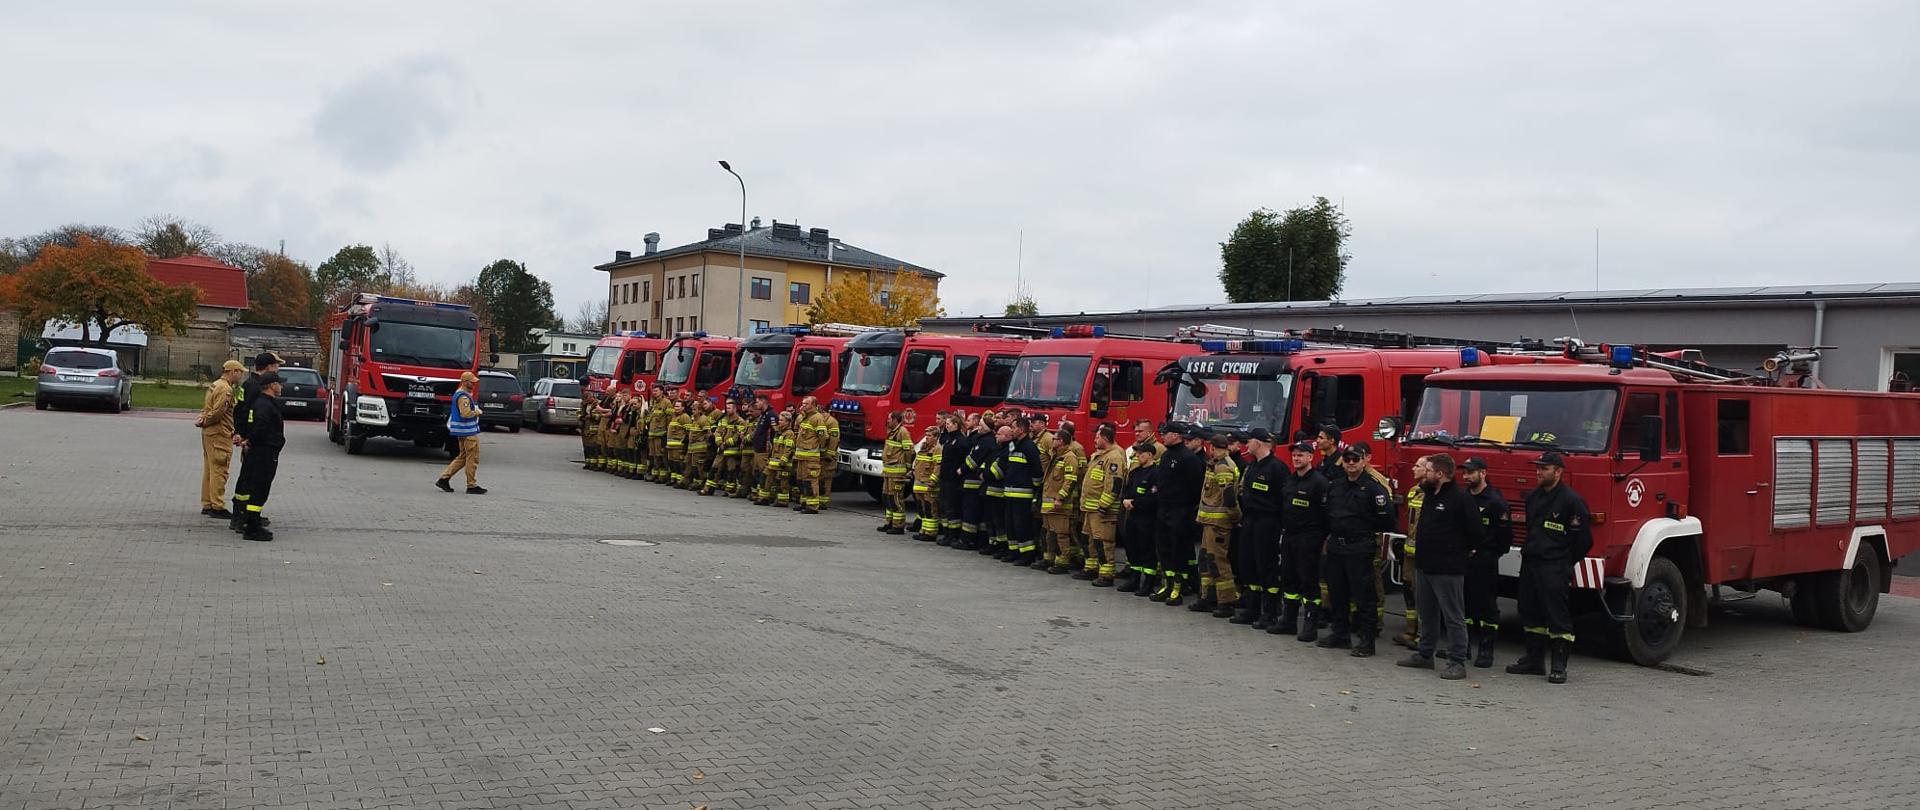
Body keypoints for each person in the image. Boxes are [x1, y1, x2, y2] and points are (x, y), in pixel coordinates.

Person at [1508, 451, 1591, 684]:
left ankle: (1558, 666)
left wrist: (1563, 560)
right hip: (1531, 564)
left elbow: (1583, 541)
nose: (1538, 472)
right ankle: (1534, 661)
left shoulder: (1571, 501)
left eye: (1544, 468)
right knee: (1529, 611)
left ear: (1558, 472)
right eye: (1538, 467)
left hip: (1554, 566)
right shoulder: (1533, 497)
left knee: (1557, 616)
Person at [1397, 454, 1482, 680]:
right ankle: (1425, 655)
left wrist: (1460, 552)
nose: (1424, 474)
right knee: (1427, 614)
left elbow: (1476, 533)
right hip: (1425, 565)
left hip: (1448, 569)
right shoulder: (1429, 495)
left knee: (1453, 616)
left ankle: (1457, 661)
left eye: (1428, 471)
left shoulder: (1460, 499)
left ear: (1440, 474)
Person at [1318, 446, 1393, 656]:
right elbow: (1327, 514)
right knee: (1337, 593)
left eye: (1355, 459)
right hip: (1336, 546)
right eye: (1347, 459)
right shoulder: (1335, 486)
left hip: (1359, 547)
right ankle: (1340, 634)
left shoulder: (1374, 488)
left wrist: (1363, 532)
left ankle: (1367, 641)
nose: (1351, 463)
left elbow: (1387, 519)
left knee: (1363, 597)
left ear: (1364, 461)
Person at [1461, 457, 1511, 668]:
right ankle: (1462, 648)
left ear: (1483, 473)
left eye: (1470, 472)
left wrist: (1488, 553)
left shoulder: (1495, 502)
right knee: (1464, 605)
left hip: (1485, 561)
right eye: (1464, 472)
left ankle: (1486, 651)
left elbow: (1505, 538)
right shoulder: (1463, 497)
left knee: (1486, 606)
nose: (1466, 476)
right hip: (1464, 560)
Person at [1277, 441, 1330, 640]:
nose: (1296, 458)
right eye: (1294, 455)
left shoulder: (1319, 483)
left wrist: (1321, 539)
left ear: (1310, 457)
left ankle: (1310, 624)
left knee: (1309, 581)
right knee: (1289, 579)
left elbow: (1326, 515)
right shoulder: (1290, 480)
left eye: (1300, 455)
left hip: (1309, 539)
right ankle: (1289, 621)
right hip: (1290, 536)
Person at [1232, 427, 1285, 627]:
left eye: (1249, 441)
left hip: (1267, 522)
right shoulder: (1252, 466)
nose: (1246, 444)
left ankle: (1270, 612)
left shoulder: (1277, 468)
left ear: (1259, 442)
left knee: (1266, 565)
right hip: (1250, 520)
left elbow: (1283, 498)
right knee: (1248, 563)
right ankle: (1252, 609)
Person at [1190, 433, 1243, 617]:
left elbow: (1229, 497)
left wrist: (1235, 517)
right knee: (1206, 560)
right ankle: (1208, 597)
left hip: (1219, 523)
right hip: (1209, 522)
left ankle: (1226, 602)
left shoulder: (1223, 467)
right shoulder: (1215, 464)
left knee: (1218, 562)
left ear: (1212, 448)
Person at [1150, 423, 1203, 606]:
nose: (1162, 436)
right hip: (1164, 509)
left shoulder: (1188, 458)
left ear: (1175, 435)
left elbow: (1196, 486)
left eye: (1165, 434)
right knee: (1163, 548)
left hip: (1181, 511)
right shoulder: (1166, 455)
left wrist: (1186, 506)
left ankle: (1179, 588)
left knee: (1178, 550)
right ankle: (1168, 584)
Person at [229, 352, 282, 532]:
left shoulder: (250, 384)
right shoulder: (255, 387)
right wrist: (244, 436)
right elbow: (246, 412)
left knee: (249, 477)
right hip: (254, 442)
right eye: (276, 365)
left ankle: (248, 515)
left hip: (251, 439)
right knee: (250, 479)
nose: (278, 369)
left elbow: (241, 409)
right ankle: (242, 517)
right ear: (269, 367)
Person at [236, 372, 287, 542]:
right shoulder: (265, 405)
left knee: (255, 487)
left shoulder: (261, 402)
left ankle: (252, 522)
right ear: (272, 385)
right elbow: (260, 427)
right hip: (264, 452)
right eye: (279, 383)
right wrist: (251, 440)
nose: (281, 386)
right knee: (260, 488)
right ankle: (252, 528)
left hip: (259, 451)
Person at [1080, 423, 1128, 587]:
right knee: (1089, 539)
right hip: (1091, 508)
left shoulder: (1114, 457)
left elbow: (1114, 484)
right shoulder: (1100, 455)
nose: (1094, 440)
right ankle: (1092, 568)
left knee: (1104, 542)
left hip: (1102, 510)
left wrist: (1104, 505)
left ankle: (1107, 575)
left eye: (1097, 437)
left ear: (1105, 439)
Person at [196, 360, 245, 518]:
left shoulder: (215, 384)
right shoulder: (226, 389)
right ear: (233, 371)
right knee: (219, 469)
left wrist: (203, 419)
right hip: (219, 433)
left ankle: (207, 503)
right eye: (240, 372)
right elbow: (218, 411)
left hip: (209, 433)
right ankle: (217, 505)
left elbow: (208, 407)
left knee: (210, 469)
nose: (241, 375)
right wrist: (206, 420)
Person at [1392, 455, 1429, 648]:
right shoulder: (1414, 491)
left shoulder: (1432, 494)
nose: (1413, 469)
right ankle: (1410, 630)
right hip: (1409, 552)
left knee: (1424, 595)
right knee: (1408, 589)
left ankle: (1423, 635)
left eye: (1418, 466)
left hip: (1424, 554)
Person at [1041, 422, 1086, 574]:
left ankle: (1063, 562)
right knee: (1050, 533)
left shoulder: (1069, 458)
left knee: (1061, 534)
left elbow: (1070, 480)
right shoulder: (1056, 456)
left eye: (1054, 439)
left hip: (1060, 505)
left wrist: (1060, 498)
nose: (1052, 441)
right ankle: (1050, 559)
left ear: (1061, 441)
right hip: (1049, 504)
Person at [999, 418, 1043, 565]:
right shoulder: (1014, 445)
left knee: (1022, 525)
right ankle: (1014, 552)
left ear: (1021, 430)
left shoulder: (1029, 447)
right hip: (1010, 492)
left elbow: (1037, 470)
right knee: (1010, 525)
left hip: (1023, 494)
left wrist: (1035, 487)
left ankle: (1027, 555)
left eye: (1013, 427)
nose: (1011, 430)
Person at [1121, 437, 1161, 596]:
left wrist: (1135, 503)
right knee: (1132, 548)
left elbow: (1153, 497)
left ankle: (1148, 584)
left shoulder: (1156, 473)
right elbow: (1127, 490)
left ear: (1150, 455)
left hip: (1148, 518)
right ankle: (1134, 580)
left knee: (1147, 550)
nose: (1138, 456)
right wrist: (1125, 500)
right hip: (1133, 516)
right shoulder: (1135, 472)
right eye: (1137, 453)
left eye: (1141, 454)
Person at [436, 371, 487, 494]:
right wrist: (477, 412)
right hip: (468, 432)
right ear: (465, 382)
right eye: (471, 382)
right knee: (472, 458)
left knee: (462, 457)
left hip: (462, 432)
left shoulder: (460, 394)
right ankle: (471, 485)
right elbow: (465, 413)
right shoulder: (463, 396)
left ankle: (444, 479)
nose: (474, 384)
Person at [793, 396, 834, 514]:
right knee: (802, 480)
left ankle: (812, 506)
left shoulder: (817, 418)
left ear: (814, 405)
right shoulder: (804, 417)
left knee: (810, 481)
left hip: (811, 457)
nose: (803, 405)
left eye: (806, 404)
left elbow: (823, 436)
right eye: (803, 403)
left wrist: (816, 447)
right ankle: (804, 502)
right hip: (801, 457)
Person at [936, 413, 969, 546]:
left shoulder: (961, 441)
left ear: (956, 425)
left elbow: (961, 461)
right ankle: (946, 534)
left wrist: (956, 474)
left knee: (952, 508)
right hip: (945, 478)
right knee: (944, 507)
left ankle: (953, 535)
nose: (947, 426)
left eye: (949, 424)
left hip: (953, 480)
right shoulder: (949, 439)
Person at [879, 410, 914, 535]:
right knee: (887, 497)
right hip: (888, 472)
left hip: (897, 474)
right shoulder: (892, 431)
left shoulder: (903, 432)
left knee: (896, 499)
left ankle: (898, 526)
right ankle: (890, 522)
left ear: (895, 420)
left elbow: (909, 451)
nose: (887, 421)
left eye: (889, 419)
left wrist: (908, 466)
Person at [912, 420, 944, 541]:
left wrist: (932, 481)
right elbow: (918, 463)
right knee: (923, 509)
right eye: (926, 435)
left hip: (929, 485)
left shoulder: (937, 449)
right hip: (919, 484)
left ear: (936, 437)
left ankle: (931, 533)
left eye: (929, 436)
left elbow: (938, 467)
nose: (927, 438)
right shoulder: (924, 448)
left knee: (931, 509)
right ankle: (924, 531)